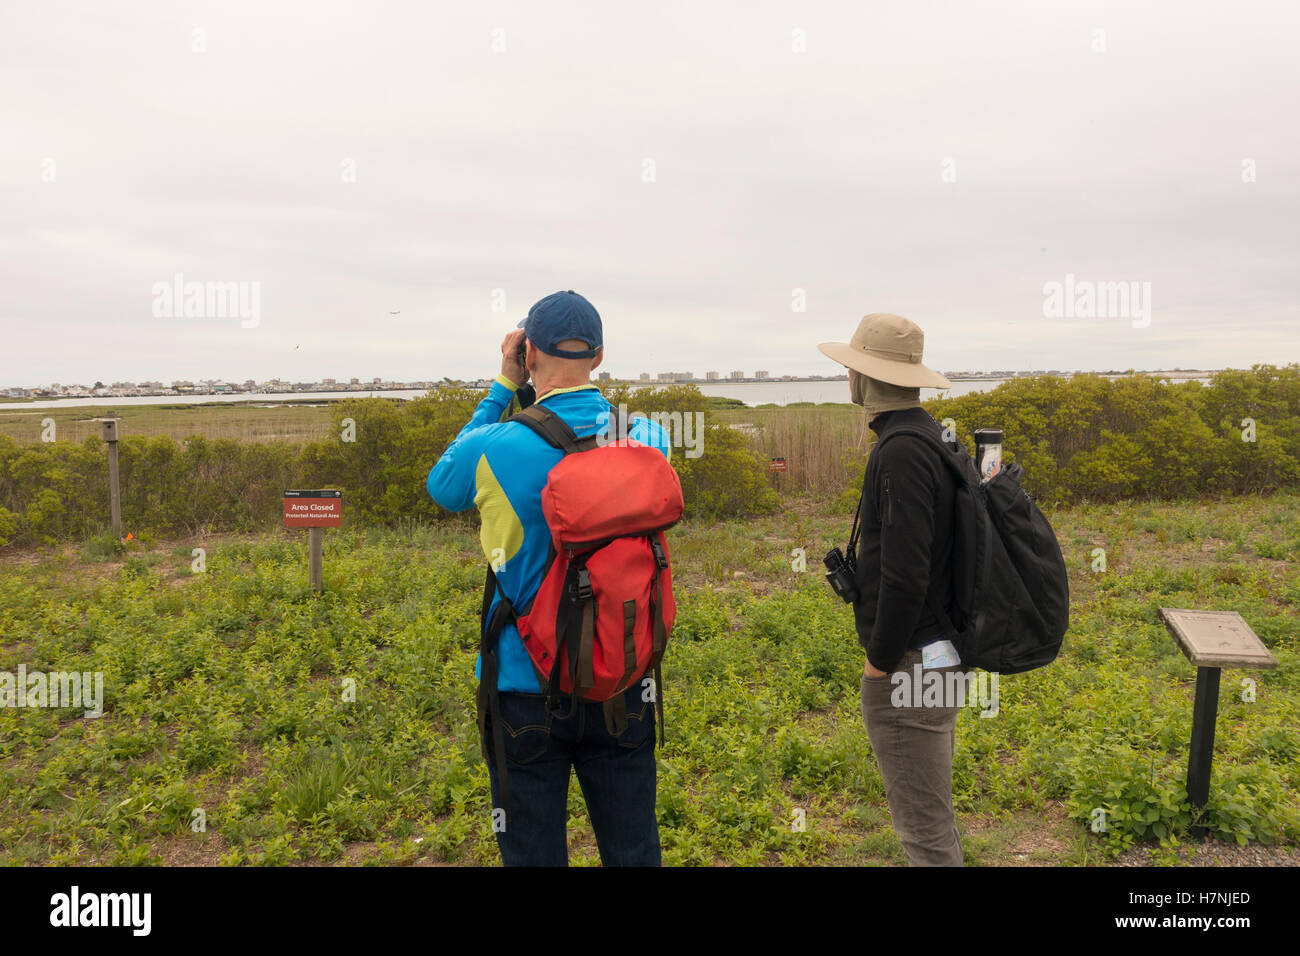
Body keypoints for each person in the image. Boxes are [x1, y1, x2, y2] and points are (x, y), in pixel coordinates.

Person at [427, 290, 672, 867]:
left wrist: (503, 386)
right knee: (633, 845)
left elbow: (444, 486)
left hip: (522, 684)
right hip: (621, 674)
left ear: (528, 350)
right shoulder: (648, 439)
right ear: (601, 353)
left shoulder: (497, 447)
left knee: (532, 851)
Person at [818, 313, 968, 866]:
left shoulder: (901, 451)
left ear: (862, 377)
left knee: (923, 829)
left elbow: (907, 574)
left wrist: (879, 663)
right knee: (931, 814)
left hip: (911, 662)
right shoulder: (931, 437)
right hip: (942, 653)